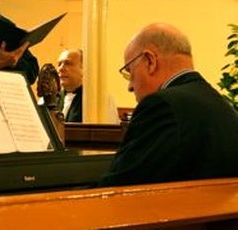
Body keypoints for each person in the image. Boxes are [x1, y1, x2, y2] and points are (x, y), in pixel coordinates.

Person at [96, 23, 238, 187]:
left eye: (129, 71)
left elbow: (122, 184)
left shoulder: (161, 105)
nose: (130, 87)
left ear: (150, 61)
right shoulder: (223, 105)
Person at [57, 49, 83, 122]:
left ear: (83, 68)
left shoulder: (96, 100)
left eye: (68, 63)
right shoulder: (51, 99)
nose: (61, 68)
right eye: (59, 64)